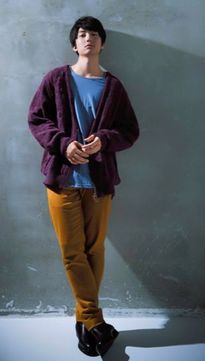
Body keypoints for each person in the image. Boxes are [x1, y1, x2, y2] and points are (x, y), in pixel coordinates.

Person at [28, 16, 139, 357]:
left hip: (99, 183)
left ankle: (83, 323)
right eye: (81, 34)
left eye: (93, 34)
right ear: (74, 44)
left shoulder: (114, 87)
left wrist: (102, 142)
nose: (87, 38)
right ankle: (95, 319)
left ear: (102, 43)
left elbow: (129, 131)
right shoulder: (56, 79)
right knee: (72, 252)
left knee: (95, 251)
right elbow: (37, 119)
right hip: (62, 182)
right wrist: (64, 145)